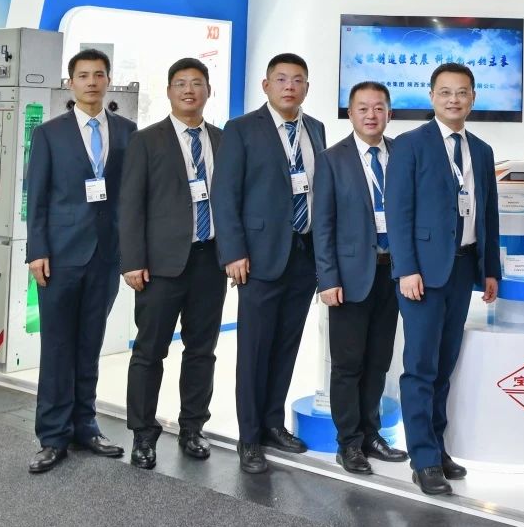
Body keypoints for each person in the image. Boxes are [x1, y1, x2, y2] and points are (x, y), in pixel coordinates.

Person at [385, 63, 500, 497]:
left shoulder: (482, 151)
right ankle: (423, 459)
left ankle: (437, 446)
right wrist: (406, 269)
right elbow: (398, 212)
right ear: (432, 96)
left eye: (462, 92)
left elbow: (487, 214)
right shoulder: (410, 145)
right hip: (423, 274)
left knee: (444, 366)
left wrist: (490, 270)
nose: (454, 99)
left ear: (473, 98)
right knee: (420, 367)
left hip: (463, 269)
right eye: (446, 92)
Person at [211, 53, 327, 474]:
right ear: (266, 85)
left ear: (306, 88)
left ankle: (273, 424)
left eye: (297, 80)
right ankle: (249, 438)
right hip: (258, 258)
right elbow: (224, 194)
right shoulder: (241, 129)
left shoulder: (316, 129)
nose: (289, 87)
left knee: (286, 345)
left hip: (304, 255)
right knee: (254, 350)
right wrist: (233, 252)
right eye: (281, 79)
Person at [25, 48, 137, 474]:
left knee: (90, 344)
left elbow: (132, 197)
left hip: (105, 255)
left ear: (108, 80)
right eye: (84, 75)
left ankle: (85, 426)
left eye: (99, 74)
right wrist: (37, 250)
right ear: (70, 83)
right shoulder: (49, 134)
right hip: (59, 256)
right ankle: (53, 436)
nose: (92, 82)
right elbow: (36, 197)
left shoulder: (127, 131)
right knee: (57, 346)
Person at [119, 58, 226, 469]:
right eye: (181, 84)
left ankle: (193, 427)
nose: (189, 90)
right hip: (160, 266)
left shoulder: (222, 140)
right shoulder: (147, 141)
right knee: (149, 352)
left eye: (197, 83)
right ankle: (143, 434)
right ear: (168, 91)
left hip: (210, 262)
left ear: (208, 91)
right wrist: (132, 261)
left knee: (202, 351)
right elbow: (131, 205)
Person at [312, 81, 409, 475]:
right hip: (349, 277)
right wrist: (327, 278)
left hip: (393, 274)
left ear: (389, 113)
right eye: (363, 108)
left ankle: (372, 434)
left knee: (379, 361)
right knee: (348, 364)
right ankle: (348, 443)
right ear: (350, 113)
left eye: (379, 108)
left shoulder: (402, 154)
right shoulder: (332, 159)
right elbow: (323, 224)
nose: (372, 115)